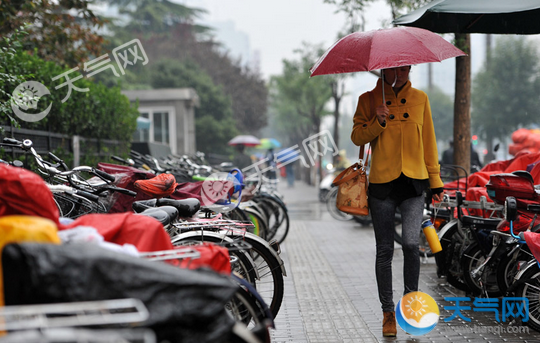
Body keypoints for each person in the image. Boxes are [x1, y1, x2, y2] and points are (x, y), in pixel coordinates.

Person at [350, 65, 444, 337]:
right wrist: (376, 121)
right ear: (385, 69)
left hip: (414, 182)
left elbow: (429, 141)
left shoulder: (420, 98)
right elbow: (356, 137)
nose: (400, 73)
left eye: (405, 68)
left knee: (413, 245)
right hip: (382, 184)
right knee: (384, 251)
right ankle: (388, 313)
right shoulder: (368, 100)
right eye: (395, 69)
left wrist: (435, 180)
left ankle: (410, 308)